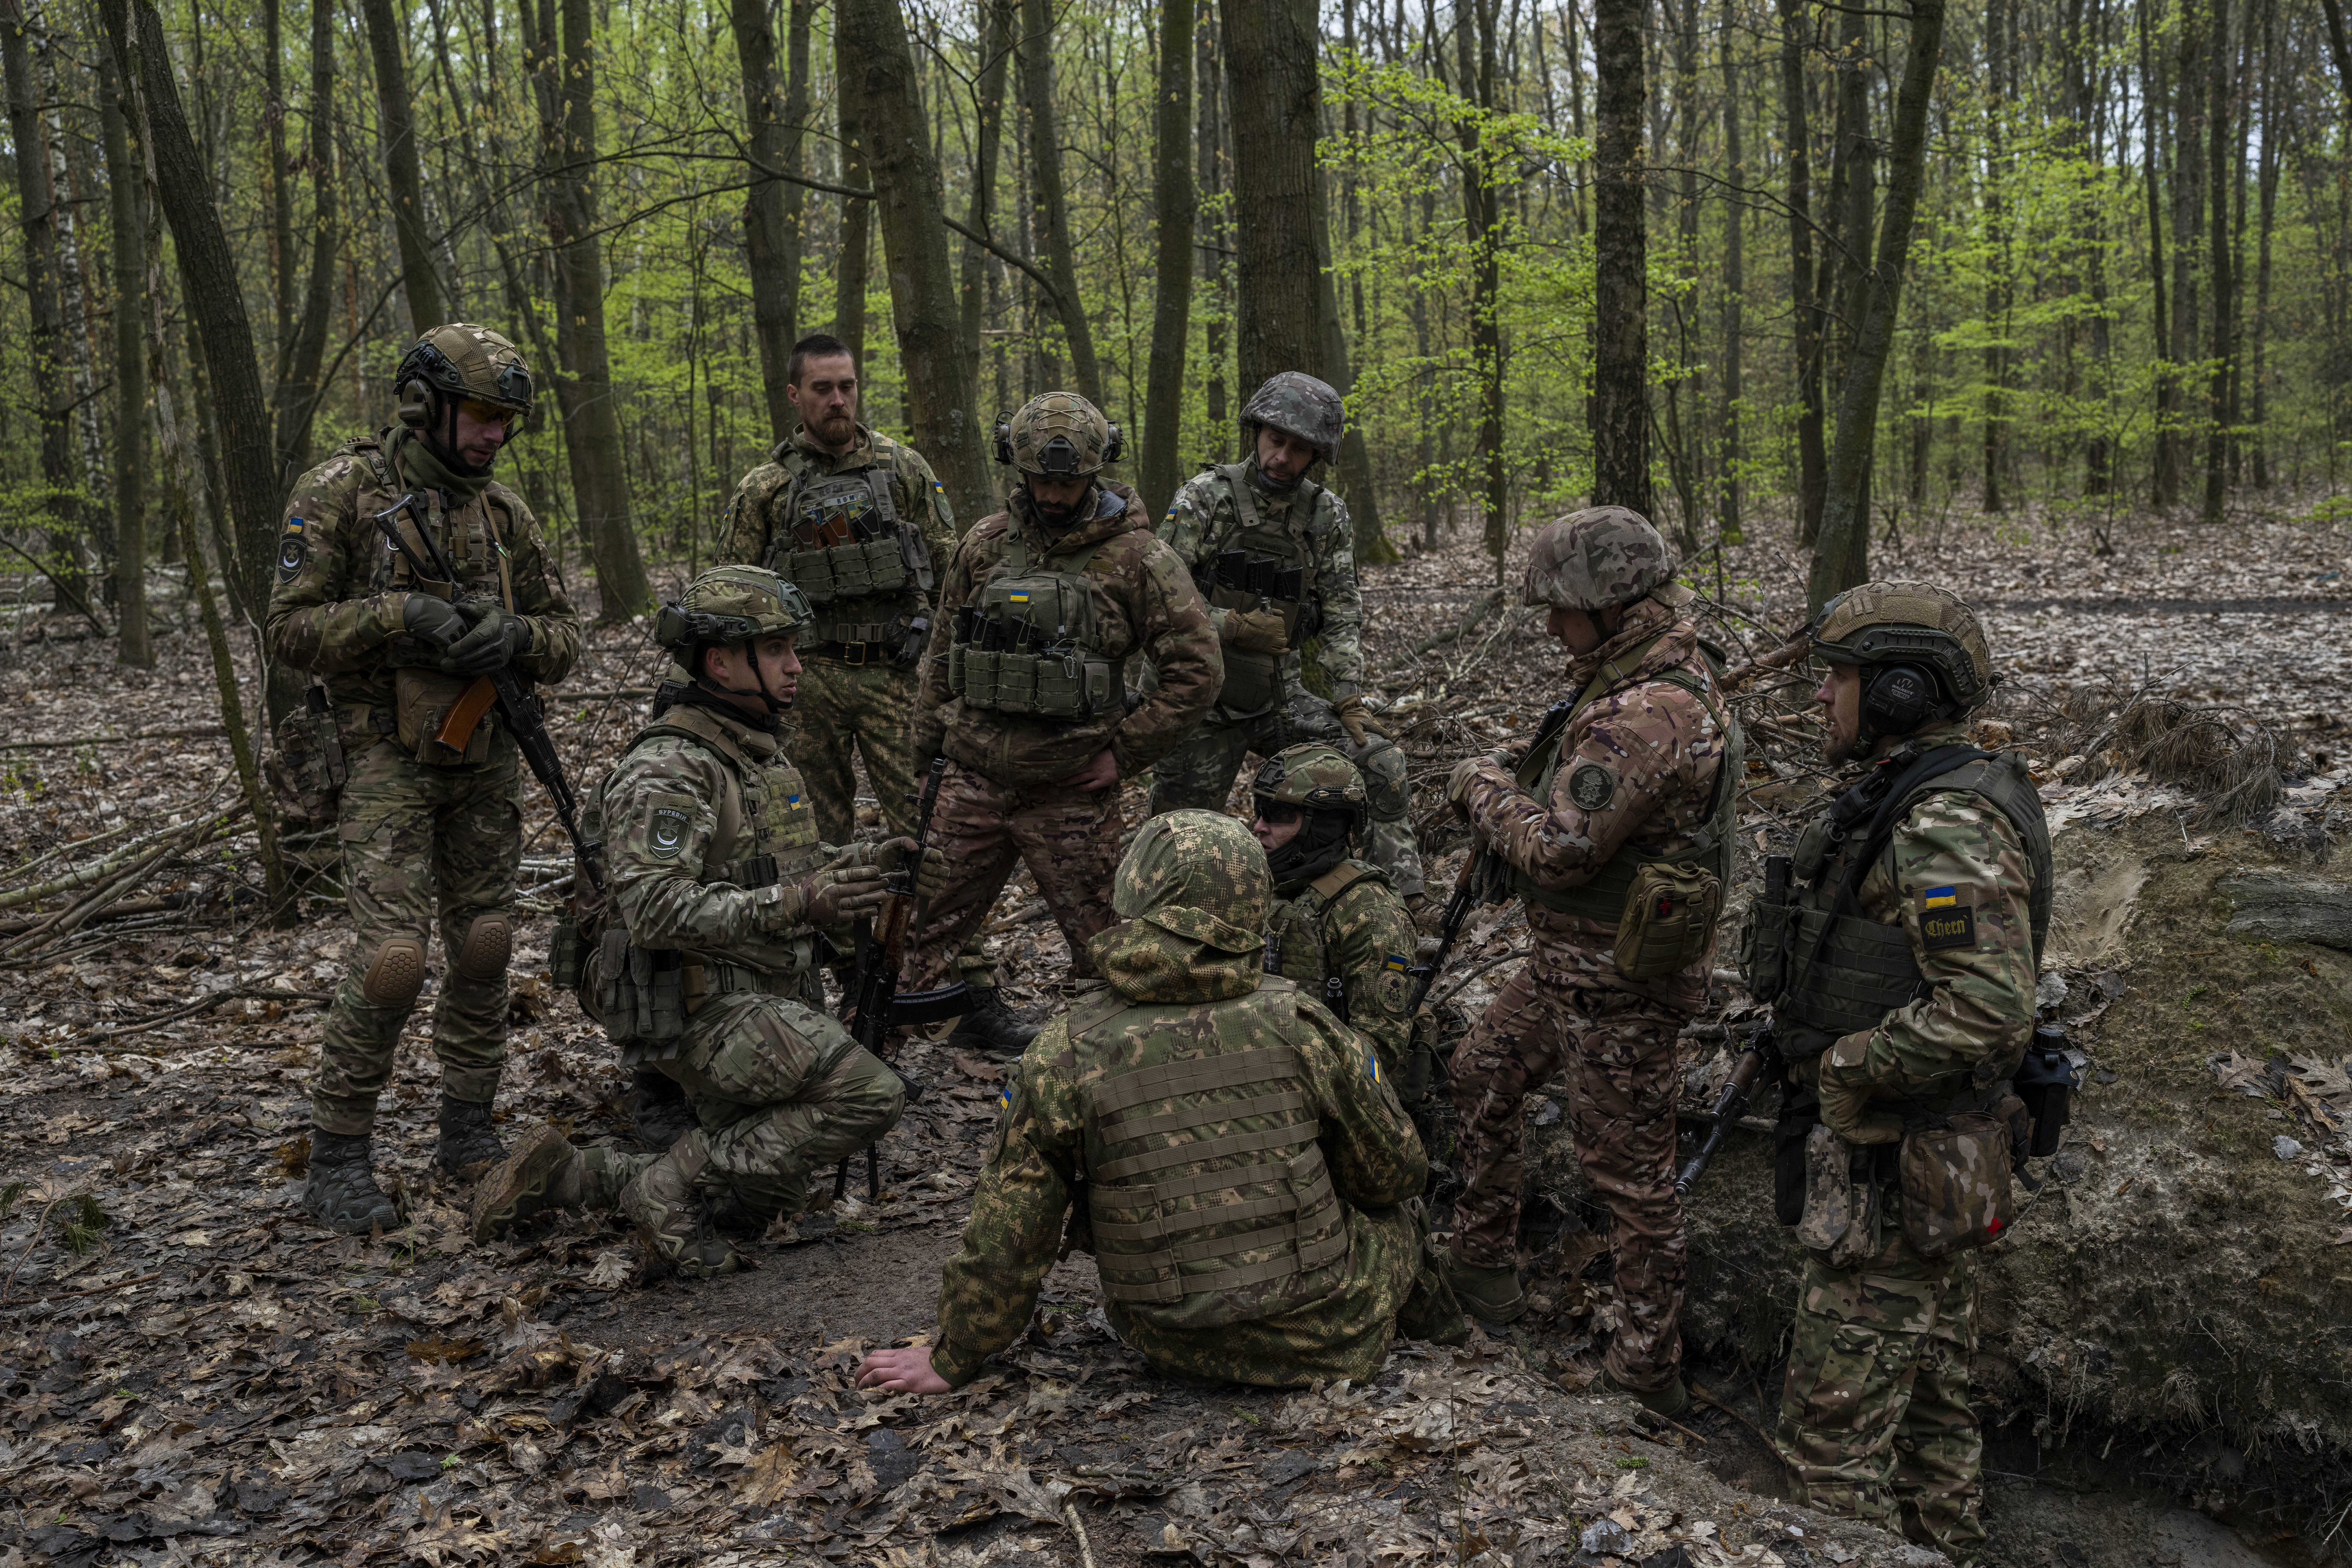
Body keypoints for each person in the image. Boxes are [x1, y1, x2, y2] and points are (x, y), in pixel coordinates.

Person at [853, 811, 1463, 1397]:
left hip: (1168, 1338)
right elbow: (1394, 1175)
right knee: (1397, 1211)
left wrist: (956, 1354)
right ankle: (1455, 1344)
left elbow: (1011, 1226)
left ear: (1136, 900)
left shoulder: (1066, 1048)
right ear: (1253, 900)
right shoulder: (1305, 1025)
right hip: (1331, 1336)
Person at [470, 565, 942, 1276]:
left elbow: (775, 867)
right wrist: (801, 904)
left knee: (762, 1200)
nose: (796, 665)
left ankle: (574, 1178)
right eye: (777, 650)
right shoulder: (671, 767)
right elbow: (655, 910)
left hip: (749, 991)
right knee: (870, 1094)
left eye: (794, 648)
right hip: (690, 1004)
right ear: (721, 662)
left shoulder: (752, 749)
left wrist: (867, 863)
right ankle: (666, 1183)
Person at [1750, 582, 2047, 1558]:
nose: (1820, 700)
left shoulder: (1944, 822)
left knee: (1828, 1459)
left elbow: (1986, 1003)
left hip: (1893, 1164)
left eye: (1837, 679)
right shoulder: (1911, 795)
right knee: (1930, 1422)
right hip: (1919, 1159)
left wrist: (1847, 1059)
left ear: (1901, 692)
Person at [266, 323, 582, 1233]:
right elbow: (290, 627)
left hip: (483, 752)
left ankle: (468, 1128)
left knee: (485, 945)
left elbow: (565, 636)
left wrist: (512, 637)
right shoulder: (344, 493)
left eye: (506, 421)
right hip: (380, 756)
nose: (494, 437)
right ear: (427, 404)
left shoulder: (506, 515)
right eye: (481, 416)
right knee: (393, 962)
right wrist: (399, 614)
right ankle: (337, 1156)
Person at [1440, 508, 1740, 1417]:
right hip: (1568, 964)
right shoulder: (1628, 683)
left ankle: (1646, 1370)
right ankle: (1485, 1268)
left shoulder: (1646, 713)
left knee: (1629, 1178)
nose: (1550, 628)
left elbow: (1564, 853)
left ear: (1608, 608)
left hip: (1620, 984)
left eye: (1560, 611)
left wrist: (1481, 791)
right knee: (1482, 1073)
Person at [721, 333, 1025, 1059]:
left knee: (934, 834)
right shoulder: (767, 488)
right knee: (811, 847)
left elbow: (959, 569)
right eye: (822, 388)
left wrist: (940, 638)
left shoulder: (903, 470)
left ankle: (971, 991)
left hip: (896, 677)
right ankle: (857, 988)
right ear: (794, 396)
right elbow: (731, 595)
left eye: (848, 386)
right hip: (804, 684)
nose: (838, 400)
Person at [899, 391, 1220, 1025]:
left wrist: (1122, 753)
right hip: (972, 777)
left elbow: (1197, 670)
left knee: (1105, 954)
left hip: (1070, 789)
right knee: (914, 936)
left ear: (1095, 471)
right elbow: (942, 658)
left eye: (1068, 481)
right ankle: (874, 1085)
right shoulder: (983, 545)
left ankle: (1095, 1082)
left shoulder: (1140, 560)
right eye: (1040, 479)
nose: (1052, 494)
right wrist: (921, 757)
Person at [1151, 373, 1423, 901]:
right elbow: (1155, 599)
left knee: (1378, 761)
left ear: (1317, 456)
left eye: (1299, 449)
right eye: (1276, 440)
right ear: (1257, 431)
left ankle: (1400, 902)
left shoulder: (1326, 515)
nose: (1282, 456)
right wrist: (1229, 624)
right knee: (1176, 841)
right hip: (1199, 704)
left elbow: (1342, 611)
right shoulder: (1205, 500)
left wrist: (1347, 695)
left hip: (1278, 699)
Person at [1249, 743, 1424, 1093]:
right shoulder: (1262, 885)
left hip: (1334, 1092)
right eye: (1260, 810)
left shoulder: (1369, 912)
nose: (1258, 827)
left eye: (1278, 815)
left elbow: (1380, 1053)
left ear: (1324, 824)